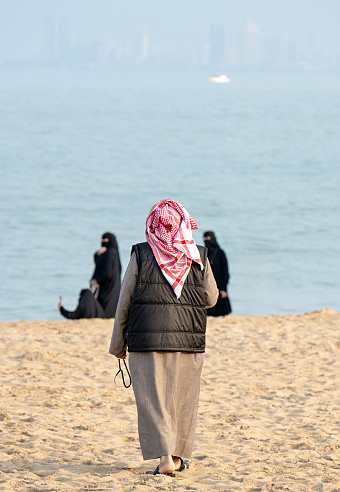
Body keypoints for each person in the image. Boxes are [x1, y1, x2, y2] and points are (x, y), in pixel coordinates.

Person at [109, 199, 218, 476]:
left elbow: (125, 301)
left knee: (152, 399)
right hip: (189, 341)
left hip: (146, 341)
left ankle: (165, 459)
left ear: (153, 224)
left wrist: (118, 343)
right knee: (183, 399)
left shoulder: (142, 254)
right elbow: (211, 298)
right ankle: (178, 458)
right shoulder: (199, 255)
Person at [90, 232, 121, 318]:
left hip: (108, 286)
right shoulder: (112, 252)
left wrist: (97, 280)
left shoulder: (110, 253)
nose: (103, 242)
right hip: (111, 285)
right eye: (102, 240)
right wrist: (97, 255)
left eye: (105, 240)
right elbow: (99, 264)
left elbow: (107, 272)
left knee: (106, 306)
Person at [203, 231, 232, 317]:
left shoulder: (220, 253)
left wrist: (224, 288)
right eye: (204, 239)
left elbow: (225, 272)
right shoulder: (204, 253)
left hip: (219, 284)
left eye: (208, 238)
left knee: (221, 309)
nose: (206, 241)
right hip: (208, 284)